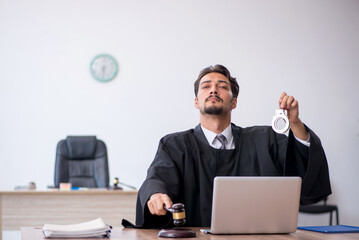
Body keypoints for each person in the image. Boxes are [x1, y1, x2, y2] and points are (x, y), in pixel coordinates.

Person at [135, 64, 331, 228]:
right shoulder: (175, 145)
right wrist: (156, 194)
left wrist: (295, 124)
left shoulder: (265, 140)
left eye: (222, 86)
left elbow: (301, 168)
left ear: (234, 102)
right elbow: (157, 177)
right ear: (196, 102)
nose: (213, 90)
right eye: (206, 86)